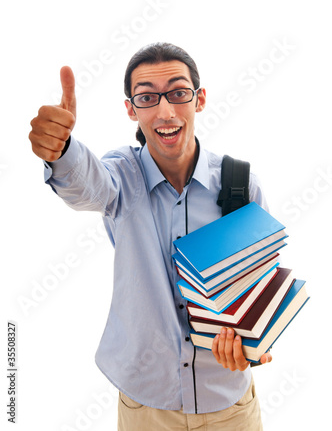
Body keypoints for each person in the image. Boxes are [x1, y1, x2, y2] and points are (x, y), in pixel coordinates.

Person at [29, 42, 272, 431]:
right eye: (147, 97)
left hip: (229, 405)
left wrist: (252, 344)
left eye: (178, 93)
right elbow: (86, 183)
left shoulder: (240, 185)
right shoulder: (121, 177)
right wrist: (61, 151)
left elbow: (258, 295)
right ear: (131, 109)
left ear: (200, 99)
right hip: (147, 409)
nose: (165, 111)